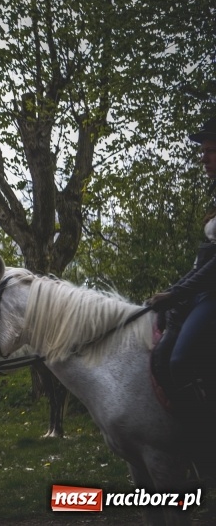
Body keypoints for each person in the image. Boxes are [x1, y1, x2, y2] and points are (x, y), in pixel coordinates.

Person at [149, 117, 216, 472]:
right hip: (206, 293)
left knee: (179, 361)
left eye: (210, 150)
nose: (204, 158)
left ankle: (206, 450)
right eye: (203, 151)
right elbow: (206, 260)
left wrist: (177, 294)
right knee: (162, 351)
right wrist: (175, 291)